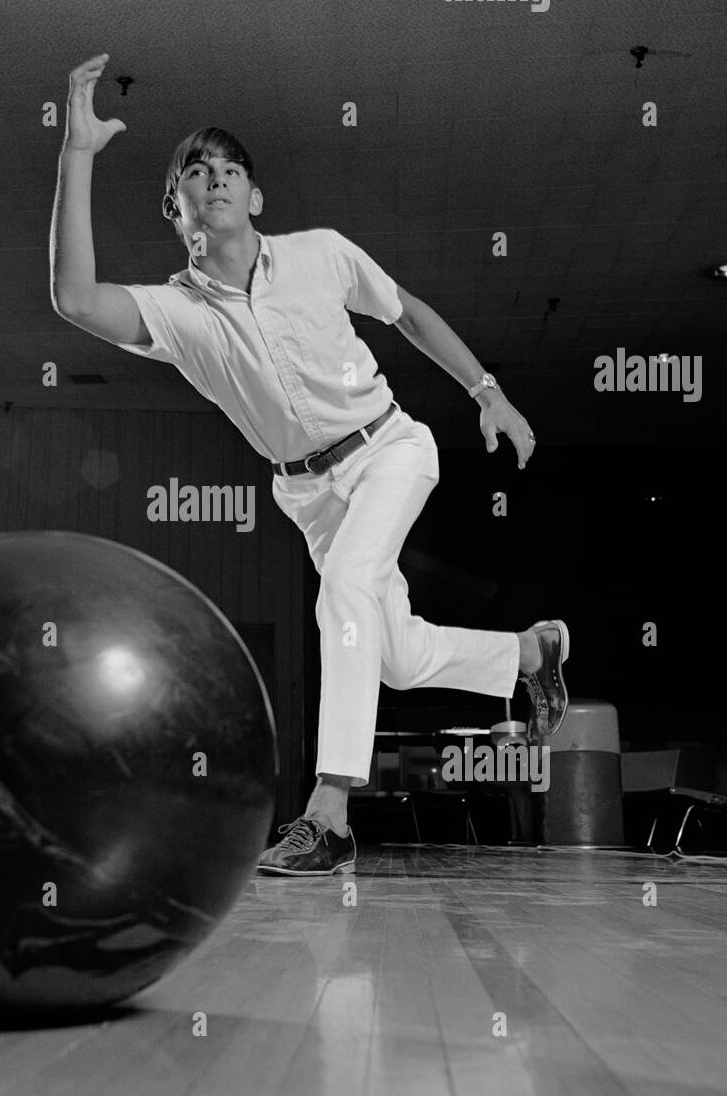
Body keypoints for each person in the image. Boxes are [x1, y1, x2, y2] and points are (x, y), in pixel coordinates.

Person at [50, 53, 568, 877]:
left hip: (391, 448)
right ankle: (531, 655)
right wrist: (76, 155)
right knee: (390, 653)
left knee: (344, 596)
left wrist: (487, 392)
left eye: (230, 170)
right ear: (174, 206)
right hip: (308, 493)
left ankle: (328, 814)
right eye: (196, 172)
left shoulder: (322, 253)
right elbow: (75, 300)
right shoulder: (176, 314)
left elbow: (410, 316)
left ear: (255, 197)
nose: (214, 180)